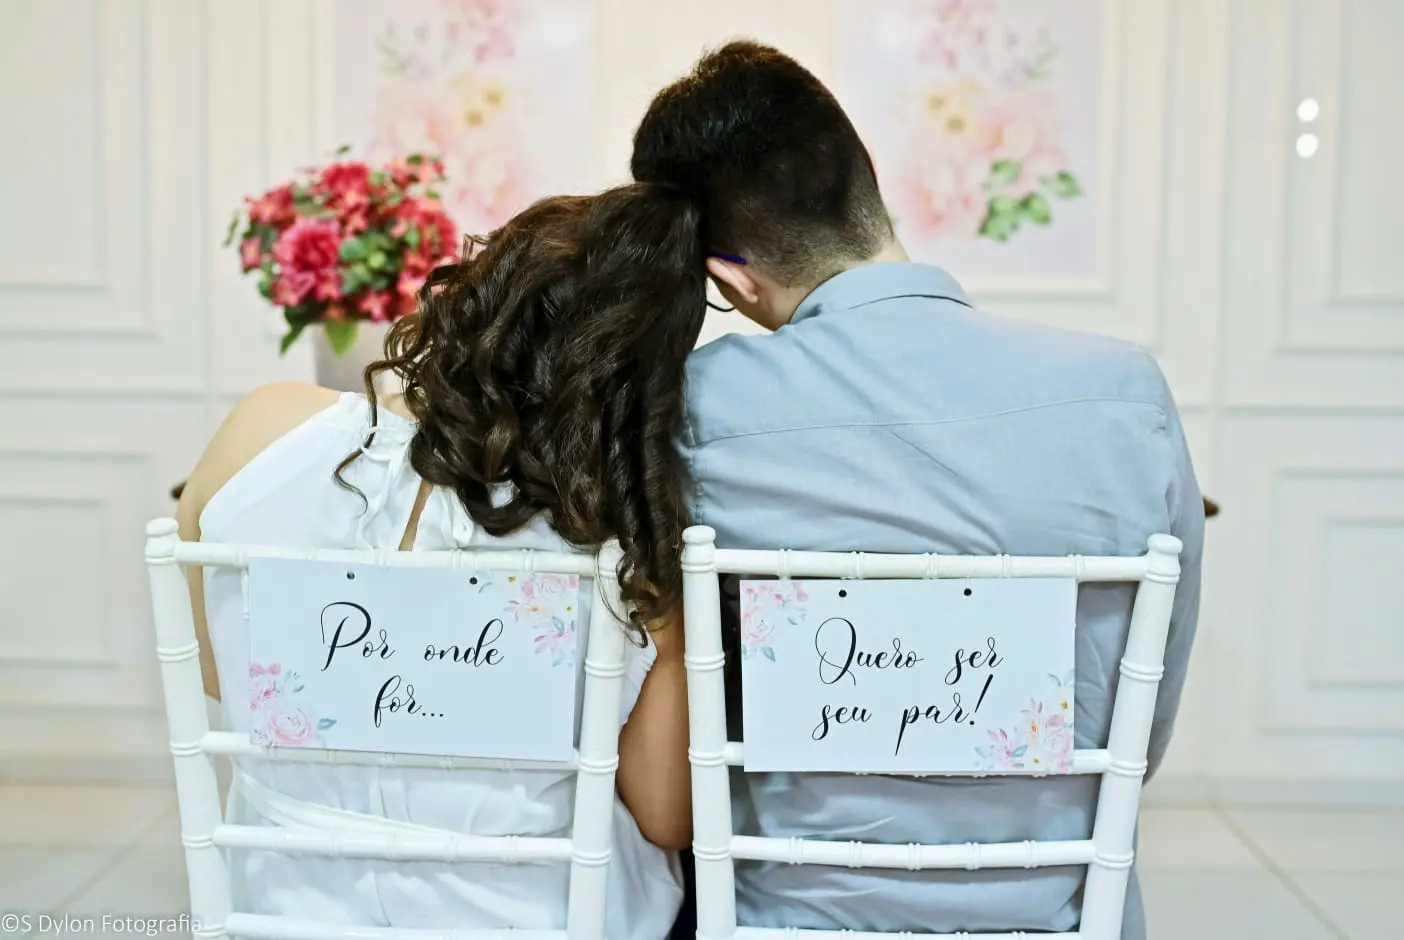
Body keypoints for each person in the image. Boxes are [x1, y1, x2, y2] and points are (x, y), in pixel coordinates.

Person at [631, 42, 1204, 940]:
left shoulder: (702, 406)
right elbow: (1146, 721)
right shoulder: (1126, 393)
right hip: (1056, 915)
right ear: (867, 188)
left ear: (729, 276)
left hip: (790, 918)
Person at [175, 185, 706, 937]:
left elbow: (220, 681)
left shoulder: (262, 431)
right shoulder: (624, 546)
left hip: (279, 908)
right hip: (537, 918)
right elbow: (666, 813)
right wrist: (676, 633)